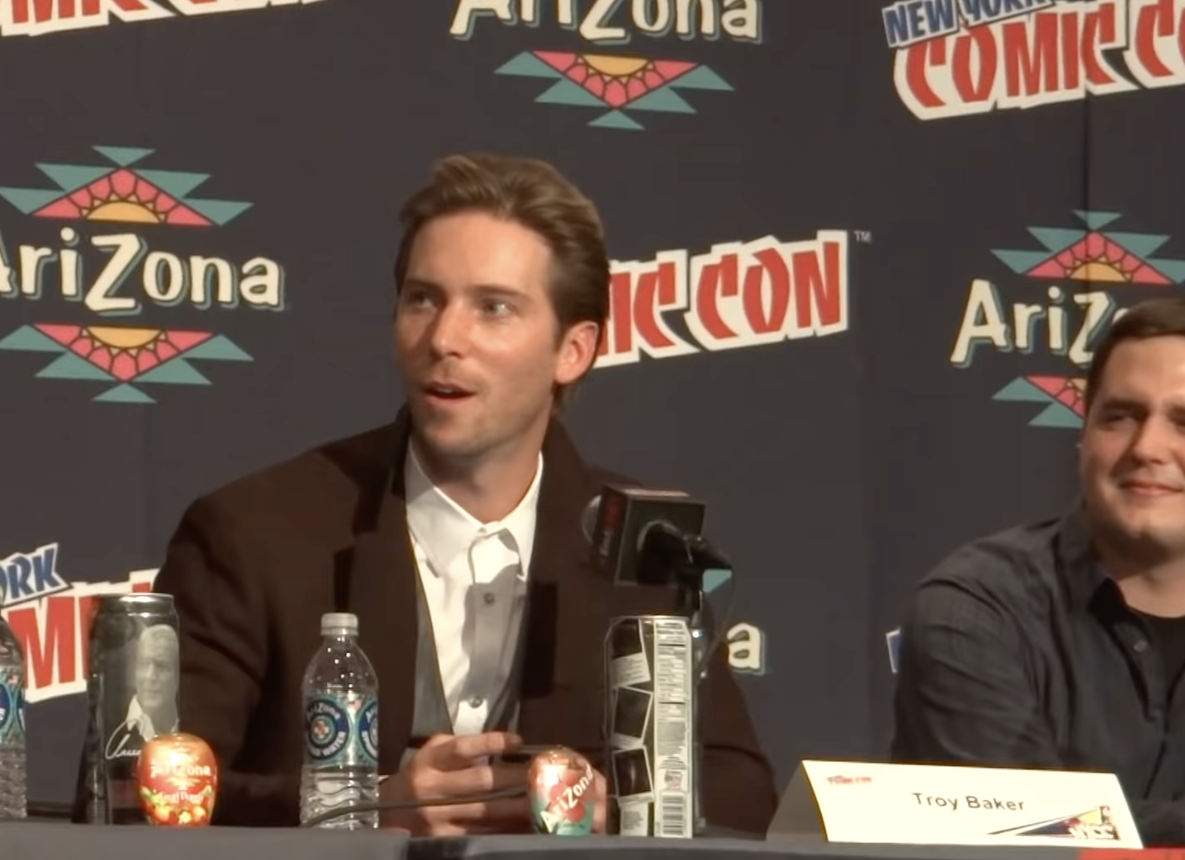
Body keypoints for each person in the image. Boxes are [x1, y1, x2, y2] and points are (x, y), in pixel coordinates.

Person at [152, 152, 776, 835]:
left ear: (573, 350)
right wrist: (364, 810)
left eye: (493, 308)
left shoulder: (641, 544)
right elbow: (147, 796)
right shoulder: (254, 532)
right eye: (423, 299)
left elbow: (741, 791)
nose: (444, 338)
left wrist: (620, 808)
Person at [892, 296, 1185, 846]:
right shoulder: (975, 607)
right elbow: (1018, 827)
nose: (1147, 447)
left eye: (1184, 422)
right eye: (1120, 416)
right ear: (1084, 435)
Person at [103, 624, 180, 759]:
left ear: (177, 676)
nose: (150, 677)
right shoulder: (107, 727)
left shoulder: (192, 726)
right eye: (144, 665)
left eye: (161, 667)